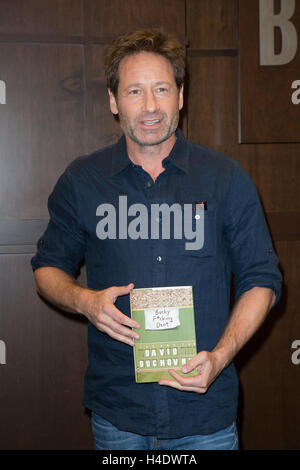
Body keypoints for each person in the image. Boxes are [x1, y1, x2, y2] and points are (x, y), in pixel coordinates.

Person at [31, 29, 282, 450]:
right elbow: (47, 268)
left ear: (180, 96)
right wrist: (85, 301)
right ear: (114, 101)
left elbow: (263, 280)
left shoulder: (226, 179)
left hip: (206, 416)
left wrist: (219, 358)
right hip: (119, 413)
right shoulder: (83, 181)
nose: (150, 106)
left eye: (162, 89)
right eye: (134, 91)